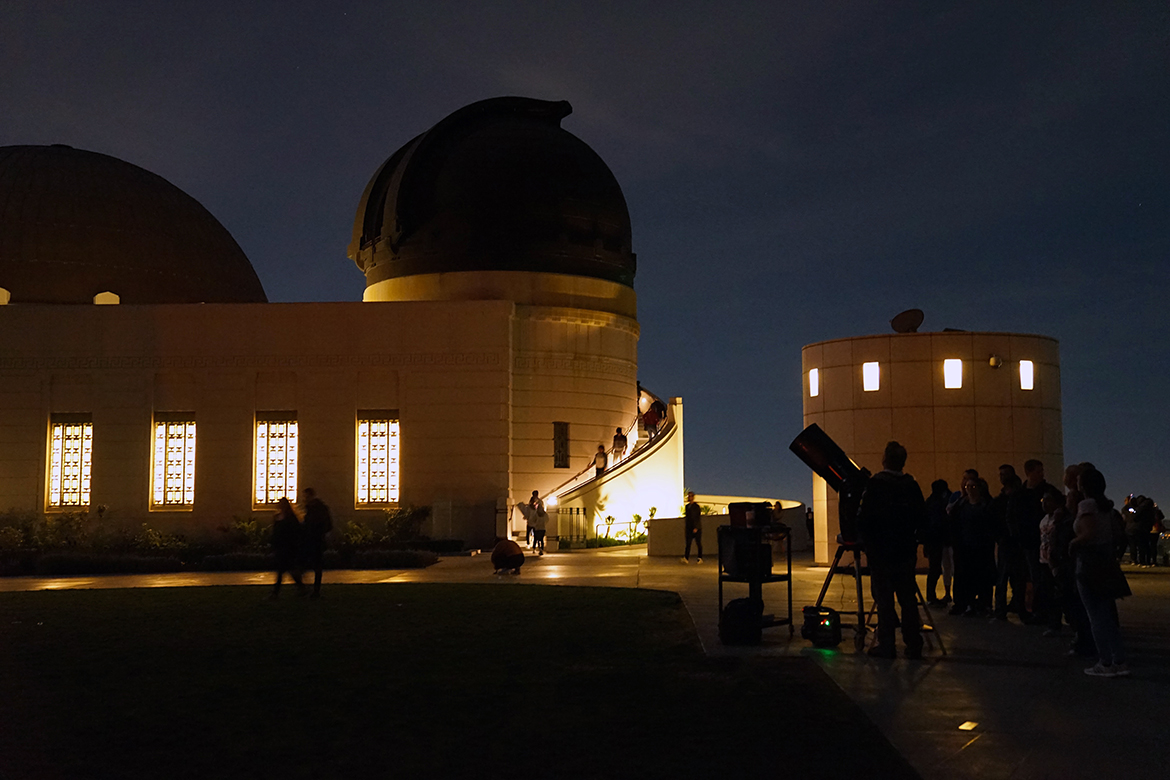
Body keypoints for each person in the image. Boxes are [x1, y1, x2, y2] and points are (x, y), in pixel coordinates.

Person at [856, 441, 925, 659]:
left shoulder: (877, 484)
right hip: (905, 551)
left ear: (884, 459)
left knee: (884, 600)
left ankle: (887, 645)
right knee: (908, 599)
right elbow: (920, 516)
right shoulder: (911, 485)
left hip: (881, 552)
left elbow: (865, 518)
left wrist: (866, 542)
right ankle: (914, 644)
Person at [1070, 467, 1131, 677]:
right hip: (1105, 562)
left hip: (1088, 562)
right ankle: (1119, 660)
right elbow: (1116, 533)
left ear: (1084, 485)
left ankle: (1105, 662)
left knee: (1094, 615)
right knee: (1106, 615)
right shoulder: (1107, 506)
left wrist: (1073, 542)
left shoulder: (1086, 505)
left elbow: (1089, 533)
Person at [993, 469, 1032, 622]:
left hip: (1014, 542)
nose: (1001, 477)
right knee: (1008, 578)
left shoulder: (1015, 498)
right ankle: (1011, 610)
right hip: (1009, 542)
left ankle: (1011, 610)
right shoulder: (1003, 499)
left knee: (1014, 579)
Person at [923, 479, 953, 606]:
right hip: (941, 540)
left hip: (933, 541)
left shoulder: (931, 502)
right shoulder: (942, 501)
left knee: (934, 569)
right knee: (939, 568)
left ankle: (931, 595)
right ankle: (932, 596)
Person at [301, 487, 333, 598]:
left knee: (311, 565)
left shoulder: (314, 509)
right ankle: (313, 589)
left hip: (313, 541)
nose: (304, 499)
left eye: (305, 496)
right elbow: (329, 525)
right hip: (317, 540)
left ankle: (310, 590)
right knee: (316, 566)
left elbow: (311, 525)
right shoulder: (320, 508)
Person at [270, 497, 304, 598]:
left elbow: (294, 532)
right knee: (288, 570)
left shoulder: (290, 518)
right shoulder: (279, 517)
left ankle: (276, 592)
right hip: (281, 547)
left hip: (288, 548)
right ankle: (301, 587)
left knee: (282, 570)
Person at [682, 491, 703, 564]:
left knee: (698, 543)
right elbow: (688, 518)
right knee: (688, 544)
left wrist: (696, 527)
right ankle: (686, 558)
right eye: (688, 496)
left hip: (696, 528)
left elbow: (697, 517)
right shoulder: (687, 506)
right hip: (689, 528)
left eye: (690, 496)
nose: (689, 497)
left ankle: (700, 558)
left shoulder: (696, 507)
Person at [528, 490, 548, 556]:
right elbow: (547, 519)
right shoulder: (544, 513)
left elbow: (533, 518)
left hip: (537, 527)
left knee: (536, 538)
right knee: (540, 539)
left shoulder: (536, 513)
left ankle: (535, 548)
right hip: (542, 528)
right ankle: (540, 549)